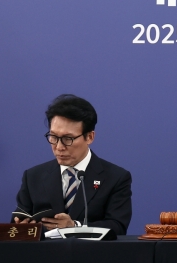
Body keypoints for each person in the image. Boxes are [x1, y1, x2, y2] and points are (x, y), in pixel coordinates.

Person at [13, 94, 132, 235]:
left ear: (89, 137)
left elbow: (118, 226)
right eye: (53, 137)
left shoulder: (116, 177)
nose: (59, 147)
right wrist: (22, 227)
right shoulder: (33, 177)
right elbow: (17, 221)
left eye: (68, 138)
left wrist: (75, 226)